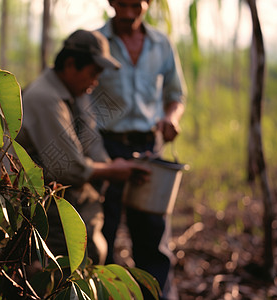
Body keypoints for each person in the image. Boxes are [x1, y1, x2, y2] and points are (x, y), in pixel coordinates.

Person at [16, 29, 150, 265]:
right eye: (92, 73)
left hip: (76, 210)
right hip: (49, 214)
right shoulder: (46, 98)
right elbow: (69, 169)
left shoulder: (76, 95)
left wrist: (123, 166)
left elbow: (92, 143)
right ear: (70, 64)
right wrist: (112, 171)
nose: (94, 82)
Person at [90, 0, 186, 299]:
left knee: (152, 234)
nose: (129, 12)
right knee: (99, 230)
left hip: (148, 149)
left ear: (147, 4)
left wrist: (171, 117)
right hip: (105, 147)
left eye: (137, 4)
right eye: (122, 4)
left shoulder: (161, 44)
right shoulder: (96, 42)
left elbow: (175, 94)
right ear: (111, 3)